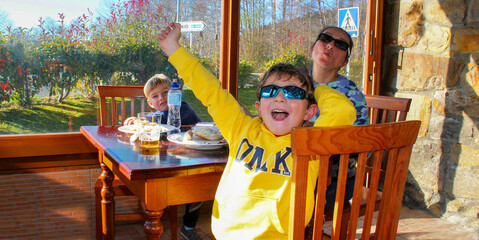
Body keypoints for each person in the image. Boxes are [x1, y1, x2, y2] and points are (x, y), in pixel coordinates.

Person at [158, 23, 356, 239]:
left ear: (310, 112)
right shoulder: (241, 127)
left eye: (292, 92)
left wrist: (316, 88)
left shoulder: (313, 142)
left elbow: (343, 110)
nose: (280, 97)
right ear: (259, 107)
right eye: (271, 91)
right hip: (228, 234)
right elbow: (209, 89)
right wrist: (172, 47)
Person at [123, 74, 203, 240]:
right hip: (161, 168)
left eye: (166, 92)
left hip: (186, 163)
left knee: (200, 184)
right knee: (149, 180)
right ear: (150, 103)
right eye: (156, 96)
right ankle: (154, 217)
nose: (162, 98)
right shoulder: (152, 119)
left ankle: (188, 227)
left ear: (176, 94)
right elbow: (153, 123)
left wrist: (145, 120)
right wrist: (136, 122)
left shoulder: (184, 109)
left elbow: (168, 120)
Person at [309, 26, 369, 211]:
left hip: (332, 181)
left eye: (340, 44)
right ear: (313, 47)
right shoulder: (294, 82)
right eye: (326, 38)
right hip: (292, 168)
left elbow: (359, 146)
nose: (330, 45)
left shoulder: (352, 96)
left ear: (344, 62)